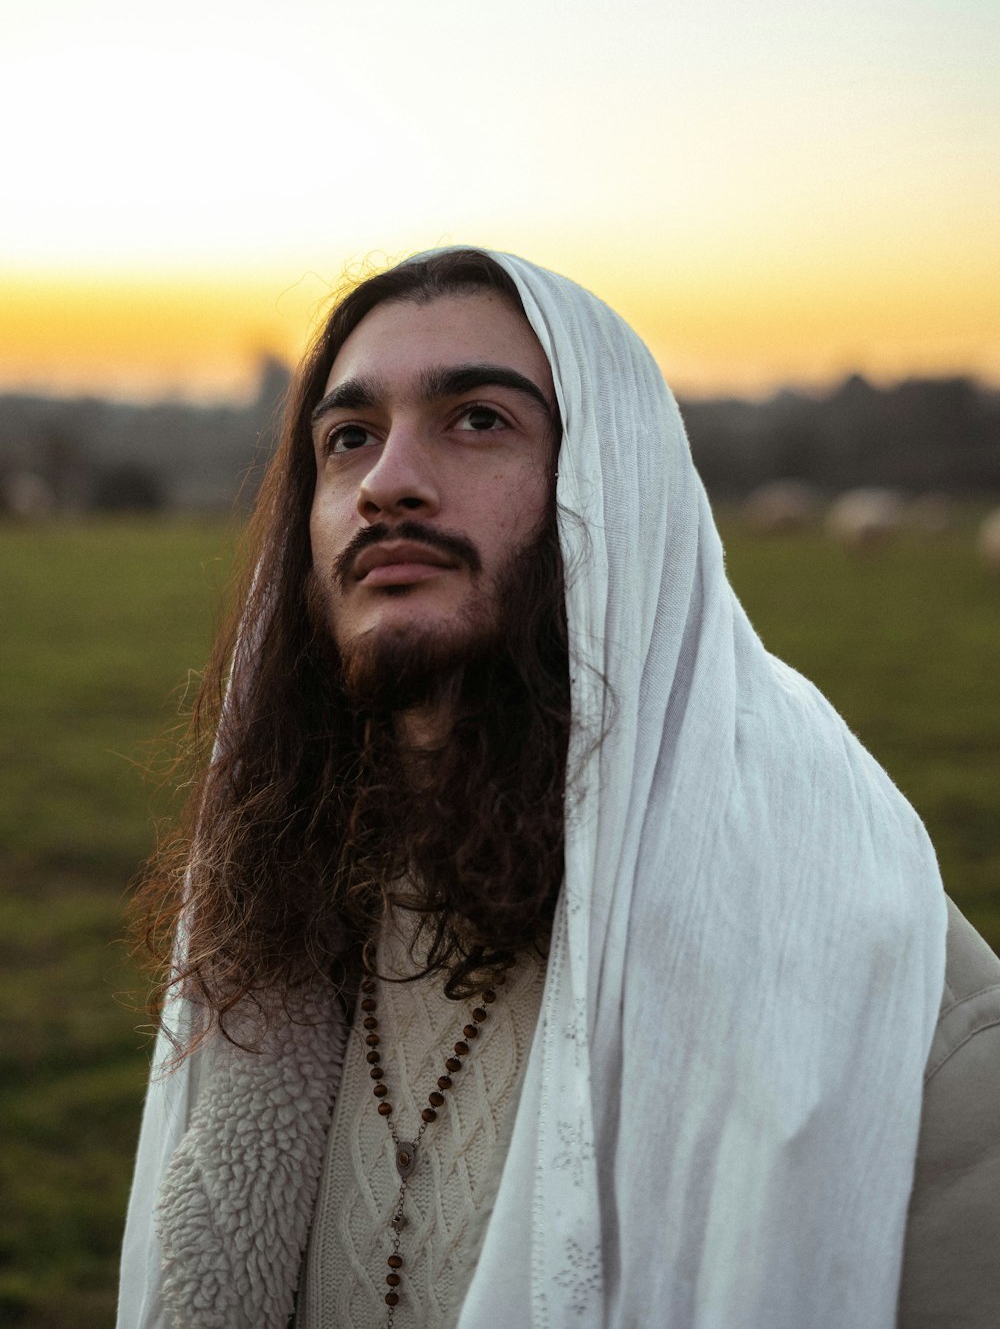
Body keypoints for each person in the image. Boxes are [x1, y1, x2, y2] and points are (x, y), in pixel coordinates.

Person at [119, 248, 1000, 1329]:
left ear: (612, 485)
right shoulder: (284, 911)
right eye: (348, 437)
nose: (389, 478)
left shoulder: (880, 989)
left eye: (478, 419)